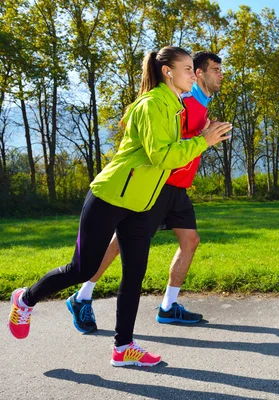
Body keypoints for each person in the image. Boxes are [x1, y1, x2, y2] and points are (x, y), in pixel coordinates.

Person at [7, 46, 232, 367]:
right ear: (168, 72)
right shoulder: (153, 104)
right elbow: (163, 157)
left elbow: (172, 154)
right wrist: (204, 140)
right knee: (81, 268)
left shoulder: (174, 107)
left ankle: (123, 346)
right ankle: (25, 299)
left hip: (142, 202)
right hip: (111, 197)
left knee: (134, 274)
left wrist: (202, 135)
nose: (191, 75)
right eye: (186, 69)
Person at [66, 52, 225, 333]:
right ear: (199, 74)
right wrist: (204, 137)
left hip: (179, 189)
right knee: (120, 243)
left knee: (190, 241)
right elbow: (165, 145)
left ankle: (167, 307)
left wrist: (207, 131)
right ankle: (83, 295)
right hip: (160, 184)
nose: (220, 75)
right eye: (214, 70)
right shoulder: (184, 101)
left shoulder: (200, 104)